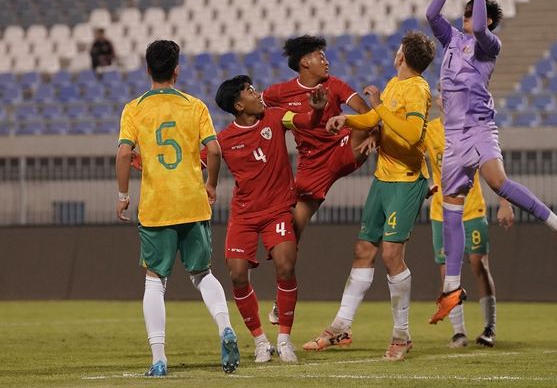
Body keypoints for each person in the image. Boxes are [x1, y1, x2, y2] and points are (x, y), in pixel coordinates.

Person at [425, 0, 557, 325]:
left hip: (480, 126)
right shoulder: (449, 40)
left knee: (498, 182)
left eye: (473, 11)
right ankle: (451, 289)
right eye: (465, 11)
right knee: (451, 210)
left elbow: (481, 28)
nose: (467, 16)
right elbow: (431, 15)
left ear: (489, 20)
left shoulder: (489, 46)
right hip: (453, 135)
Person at [302, 31, 435, 361]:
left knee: (391, 254)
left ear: (402, 56)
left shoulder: (417, 89)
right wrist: (348, 119)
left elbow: (412, 133)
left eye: (398, 49)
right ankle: (341, 326)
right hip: (382, 179)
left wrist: (377, 105)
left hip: (406, 180)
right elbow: (376, 119)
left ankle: (402, 335)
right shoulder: (394, 85)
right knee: (364, 249)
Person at [115, 40, 239, 376]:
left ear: (147, 70)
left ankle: (158, 358)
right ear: (177, 69)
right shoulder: (194, 105)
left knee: (155, 281)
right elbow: (214, 151)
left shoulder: (134, 108)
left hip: (157, 207)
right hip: (192, 202)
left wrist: (123, 193)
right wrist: (210, 184)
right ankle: (225, 328)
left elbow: (125, 154)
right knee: (202, 274)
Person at [208, 75, 328, 364]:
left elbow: (306, 121)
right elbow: (194, 160)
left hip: (277, 210)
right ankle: (260, 341)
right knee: (237, 274)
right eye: (250, 91)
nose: (257, 93)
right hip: (244, 215)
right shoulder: (223, 140)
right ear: (239, 105)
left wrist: (319, 110)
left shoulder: (275, 117)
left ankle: (285, 340)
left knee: (286, 265)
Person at [262, 35, 375, 325]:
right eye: (319, 56)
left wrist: (373, 133)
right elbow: (254, 108)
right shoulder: (279, 93)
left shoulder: (334, 85)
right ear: (304, 62)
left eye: (325, 56)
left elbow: (367, 113)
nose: (326, 61)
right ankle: (280, 301)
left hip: (342, 149)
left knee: (377, 127)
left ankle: (413, 175)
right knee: (291, 235)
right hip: (311, 164)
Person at [424, 87, 514, 348]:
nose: (445, 97)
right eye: (442, 93)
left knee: (478, 264)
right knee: (446, 271)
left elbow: (493, 166)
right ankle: (458, 332)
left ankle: (489, 327)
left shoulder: (473, 129)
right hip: (441, 212)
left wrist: (505, 201)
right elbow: (414, 156)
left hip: (472, 208)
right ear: (439, 100)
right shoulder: (429, 131)